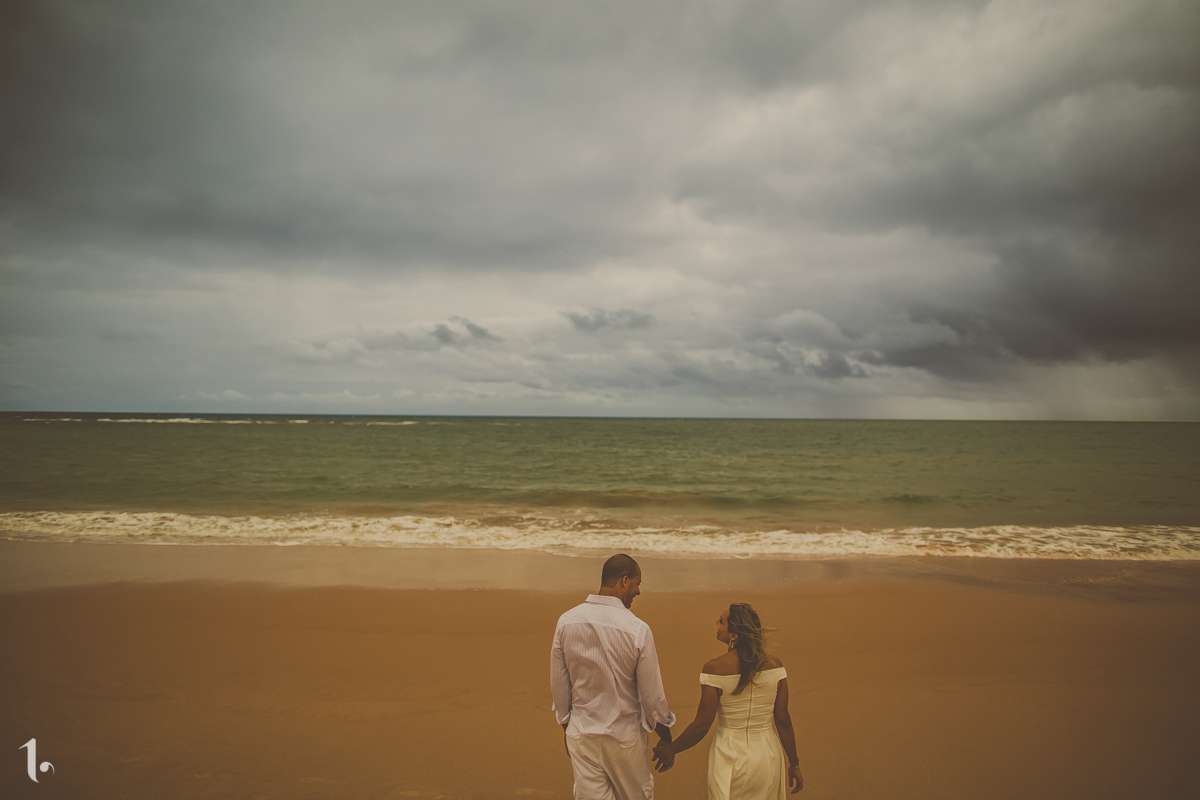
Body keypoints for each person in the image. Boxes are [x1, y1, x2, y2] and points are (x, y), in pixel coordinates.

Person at [550, 554, 677, 800]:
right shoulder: (637, 629)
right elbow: (652, 697)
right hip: (624, 738)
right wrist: (666, 737)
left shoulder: (566, 621)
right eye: (638, 583)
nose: (639, 591)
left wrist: (567, 726)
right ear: (625, 581)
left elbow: (559, 684)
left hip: (583, 735)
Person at [651, 603, 803, 798]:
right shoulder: (775, 666)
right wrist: (794, 762)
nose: (717, 623)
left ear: (734, 635)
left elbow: (702, 725)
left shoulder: (714, 669)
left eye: (721, 621)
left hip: (728, 754)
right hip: (768, 755)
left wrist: (672, 749)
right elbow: (782, 719)